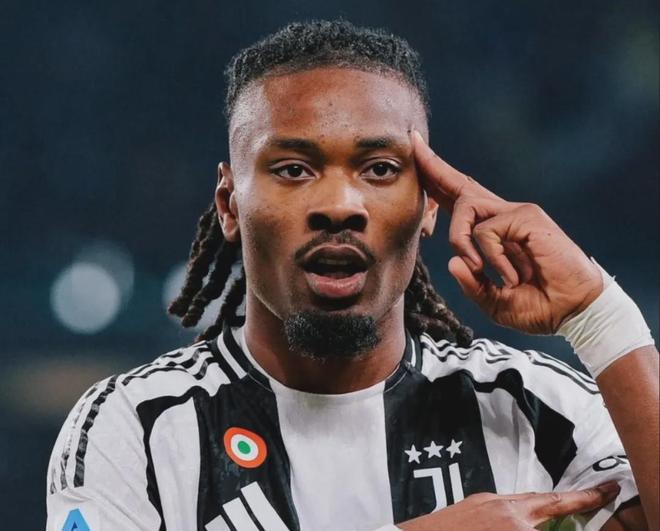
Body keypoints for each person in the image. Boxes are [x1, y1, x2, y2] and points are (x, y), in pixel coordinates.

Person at [46, 19, 658, 531]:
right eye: (293, 168)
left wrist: (600, 314)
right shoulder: (136, 426)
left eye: (380, 169)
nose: (340, 204)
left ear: (428, 207)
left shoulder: (532, 407)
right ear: (230, 206)